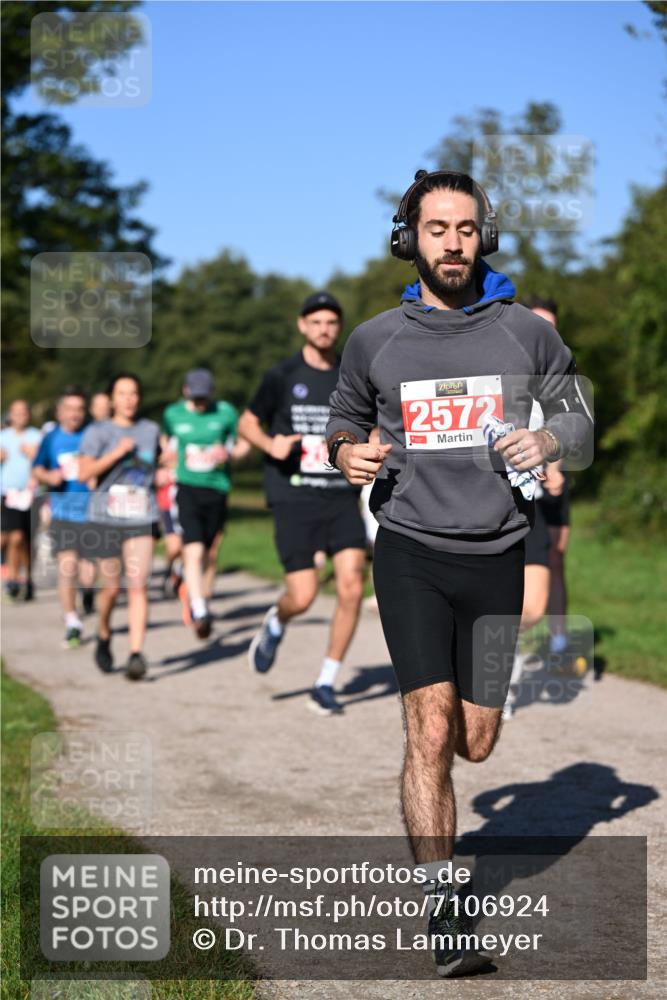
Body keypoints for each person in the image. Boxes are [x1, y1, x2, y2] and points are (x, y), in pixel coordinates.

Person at [326, 170, 592, 975]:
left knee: (475, 741)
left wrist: (549, 442)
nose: (452, 242)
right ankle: (445, 914)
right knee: (429, 729)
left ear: (484, 237)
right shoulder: (375, 338)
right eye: (436, 229)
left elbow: (577, 416)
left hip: (496, 555)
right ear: (410, 237)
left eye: (465, 229)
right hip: (408, 549)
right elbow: (342, 418)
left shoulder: (524, 333)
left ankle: (450, 789)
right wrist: (347, 453)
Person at [239, 291, 367, 716]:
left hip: (338, 495)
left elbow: (372, 423)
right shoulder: (282, 375)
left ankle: (326, 681)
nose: (324, 329)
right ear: (302, 326)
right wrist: (268, 443)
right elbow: (247, 422)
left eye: (331, 322)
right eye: (316, 322)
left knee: (351, 585)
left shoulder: (351, 375)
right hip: (293, 494)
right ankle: (277, 620)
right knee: (305, 594)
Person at [78, 373, 160, 680]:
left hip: (141, 515)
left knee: (138, 586)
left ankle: (136, 654)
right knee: (111, 588)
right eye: (122, 393)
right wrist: (116, 452)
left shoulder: (150, 430)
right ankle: (103, 632)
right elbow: (84, 472)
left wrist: (164, 471)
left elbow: (155, 464)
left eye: (134, 393)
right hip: (106, 517)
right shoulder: (97, 432)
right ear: (112, 399)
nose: (129, 399)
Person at [162, 369, 243, 638]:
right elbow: (166, 443)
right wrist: (167, 461)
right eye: (194, 397)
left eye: (203, 397)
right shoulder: (173, 414)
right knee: (193, 550)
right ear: (185, 391)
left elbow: (243, 444)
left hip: (218, 489)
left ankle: (201, 597)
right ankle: (199, 610)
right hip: (187, 488)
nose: (199, 403)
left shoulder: (226, 412)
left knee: (210, 554)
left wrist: (228, 453)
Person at [524, 296, 572, 655]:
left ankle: (558, 639)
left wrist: (555, 471)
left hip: (550, 483)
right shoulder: (507, 371)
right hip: (511, 492)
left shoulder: (564, 372)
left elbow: (568, 429)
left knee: (555, 557)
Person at [32, 386, 95, 646]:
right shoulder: (51, 439)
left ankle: (87, 592)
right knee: (67, 567)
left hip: (92, 511)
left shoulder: (93, 435)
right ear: (59, 412)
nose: (74, 414)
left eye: (79, 409)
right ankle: (72, 621)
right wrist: (49, 476)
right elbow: (37, 468)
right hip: (63, 512)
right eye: (69, 409)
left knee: (89, 573)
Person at [0, 399, 42, 600]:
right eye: (16, 412)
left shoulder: (37, 436)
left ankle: (29, 577)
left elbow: (45, 461)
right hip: (8, 493)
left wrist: (34, 454)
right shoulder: (3, 436)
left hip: (32, 494)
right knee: (14, 537)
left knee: (28, 539)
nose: (20, 415)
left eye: (23, 411)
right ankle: (13, 578)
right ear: (11, 414)